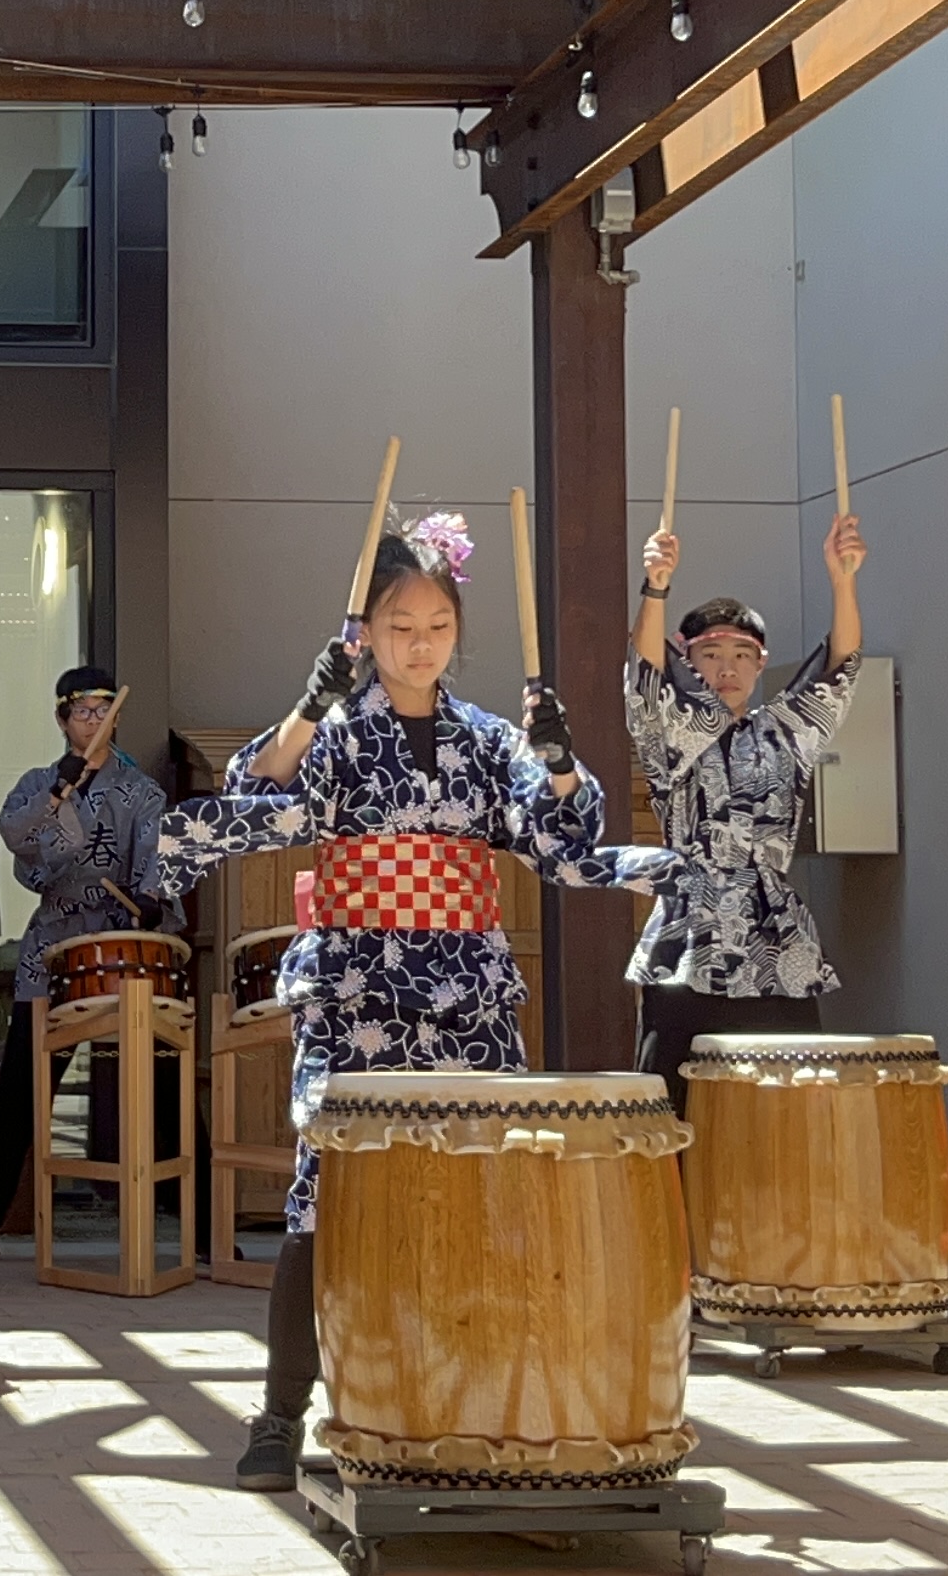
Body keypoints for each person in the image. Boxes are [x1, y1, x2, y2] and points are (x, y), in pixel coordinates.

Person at [151, 513, 648, 1494]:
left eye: (435, 627)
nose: (418, 645)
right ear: (365, 634)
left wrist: (555, 755)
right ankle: (283, 1411)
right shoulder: (337, 732)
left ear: (457, 632)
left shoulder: (491, 739)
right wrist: (306, 705)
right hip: (356, 990)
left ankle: (476, 1392)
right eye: (397, 626)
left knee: (480, 1186)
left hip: (466, 988)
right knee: (324, 1192)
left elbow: (568, 830)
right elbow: (252, 789)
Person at [625, 512, 868, 1103]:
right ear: (689, 662)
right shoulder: (674, 733)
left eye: (741, 654)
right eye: (710, 655)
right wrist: (655, 585)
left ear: (762, 665)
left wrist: (843, 582)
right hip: (690, 937)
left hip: (774, 939)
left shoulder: (787, 734)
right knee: (676, 1105)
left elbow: (840, 669)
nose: (726, 668)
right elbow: (644, 675)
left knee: (788, 1105)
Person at [0, 666, 177, 1262]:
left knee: (163, 1077)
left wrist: (151, 900)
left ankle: (206, 1225)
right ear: (62, 720)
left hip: (119, 943)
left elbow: (157, 863)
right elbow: (14, 834)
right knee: (21, 1086)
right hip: (52, 944)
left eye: (102, 709)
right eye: (80, 710)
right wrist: (59, 789)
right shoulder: (40, 783)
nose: (92, 720)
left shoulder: (142, 794)